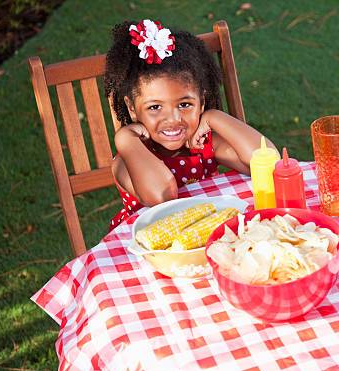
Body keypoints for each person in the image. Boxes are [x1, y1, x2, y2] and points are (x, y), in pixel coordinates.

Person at [104, 19, 276, 229]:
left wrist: (215, 117)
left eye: (185, 104)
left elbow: (266, 163)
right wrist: (124, 139)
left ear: (201, 102)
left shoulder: (201, 144)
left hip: (206, 239)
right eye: (155, 107)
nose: (173, 119)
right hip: (146, 252)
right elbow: (162, 196)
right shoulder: (128, 159)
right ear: (132, 108)